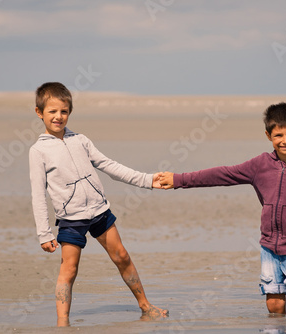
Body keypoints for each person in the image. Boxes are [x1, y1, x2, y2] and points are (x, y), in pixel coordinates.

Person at [159, 102, 286, 317]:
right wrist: (178, 179)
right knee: (274, 309)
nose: (285, 141)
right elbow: (223, 174)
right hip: (269, 249)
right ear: (268, 135)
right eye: (279, 135)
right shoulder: (260, 165)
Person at [29, 82, 168, 326]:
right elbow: (38, 194)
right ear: (40, 113)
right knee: (69, 271)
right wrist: (44, 233)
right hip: (71, 219)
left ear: (69, 112)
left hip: (99, 211)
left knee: (122, 256)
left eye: (63, 111)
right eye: (52, 112)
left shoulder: (81, 140)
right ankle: (63, 324)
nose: (58, 117)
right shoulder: (38, 151)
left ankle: (145, 305)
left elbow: (110, 166)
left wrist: (147, 180)